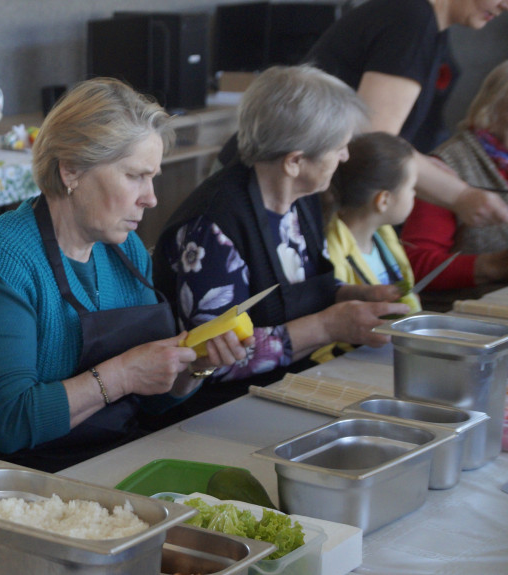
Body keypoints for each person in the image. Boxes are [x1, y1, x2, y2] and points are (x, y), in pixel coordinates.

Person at [0, 78, 250, 484]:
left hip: (101, 461)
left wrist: (192, 367)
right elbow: (8, 424)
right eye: (135, 176)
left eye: (153, 177)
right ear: (71, 170)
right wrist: (124, 373)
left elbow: (147, 405)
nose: (150, 198)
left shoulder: (124, 250)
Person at [154, 66, 410, 420]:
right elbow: (209, 359)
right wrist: (327, 326)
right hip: (220, 412)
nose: (345, 157)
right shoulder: (210, 229)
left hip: (292, 387)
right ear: (294, 162)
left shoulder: (303, 198)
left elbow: (294, 288)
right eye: (339, 148)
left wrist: (349, 296)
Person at [216, 0, 508, 230]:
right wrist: (461, 196)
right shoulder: (412, 21)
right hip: (263, 184)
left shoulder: (424, 23)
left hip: (282, 182)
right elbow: (375, 141)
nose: (505, 5)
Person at [402, 59, 508, 307]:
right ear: (495, 108)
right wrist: (492, 265)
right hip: (462, 321)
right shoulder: (448, 166)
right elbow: (414, 267)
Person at [325, 132, 422, 315]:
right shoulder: (332, 253)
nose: (414, 194)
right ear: (383, 200)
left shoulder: (383, 237)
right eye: (411, 187)